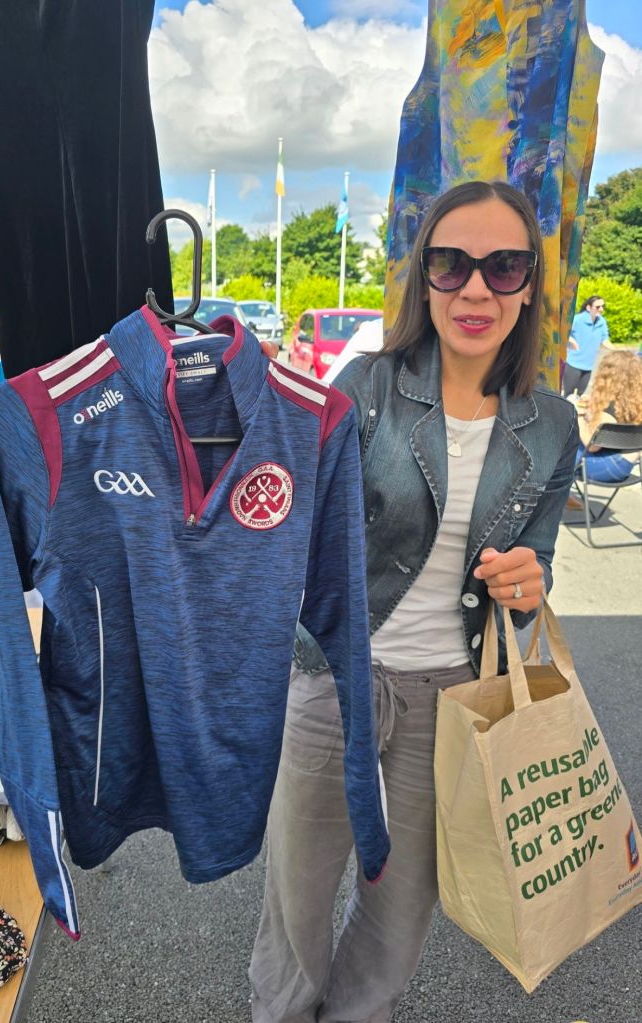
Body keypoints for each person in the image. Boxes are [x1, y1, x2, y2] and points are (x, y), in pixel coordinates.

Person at [249, 180, 578, 1023]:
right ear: (423, 276)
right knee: (295, 905)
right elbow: (289, 526)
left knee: (398, 922)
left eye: (502, 267)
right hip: (334, 680)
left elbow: (534, 569)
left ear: (528, 285)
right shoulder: (366, 386)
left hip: (453, 699)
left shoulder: (550, 425)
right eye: (451, 263)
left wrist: (528, 585)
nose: (475, 289)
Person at [568, 348, 642, 494]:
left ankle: (553, 497)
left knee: (557, 451)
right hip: (626, 466)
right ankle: (564, 496)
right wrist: (592, 407)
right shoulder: (634, 405)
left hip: (607, 469)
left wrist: (577, 414)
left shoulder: (608, 411)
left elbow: (591, 446)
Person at [562, 295, 611, 396]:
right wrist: (572, 341)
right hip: (573, 364)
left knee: (580, 395)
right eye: (598, 307)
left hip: (588, 366)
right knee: (568, 394)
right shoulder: (577, 319)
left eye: (603, 306)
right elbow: (562, 332)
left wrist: (618, 351)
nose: (601, 309)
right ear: (588, 308)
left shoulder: (602, 322)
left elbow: (605, 340)